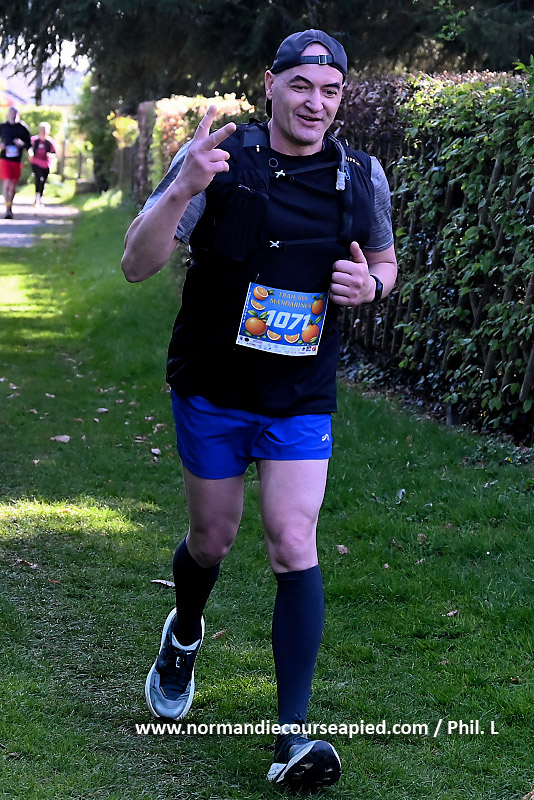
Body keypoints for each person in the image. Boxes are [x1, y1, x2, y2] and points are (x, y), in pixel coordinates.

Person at [122, 29, 397, 791]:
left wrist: (371, 286)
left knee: (292, 539)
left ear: (341, 99)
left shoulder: (360, 175)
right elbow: (137, 263)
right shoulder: (217, 159)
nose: (315, 103)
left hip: (300, 395)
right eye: (301, 85)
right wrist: (182, 189)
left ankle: (292, 737)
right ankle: (184, 633)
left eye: (330, 91)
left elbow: (384, 261)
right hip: (213, 387)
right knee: (212, 539)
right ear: (269, 84)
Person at [0, 106, 31, 219]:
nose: (13, 116)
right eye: (11, 114)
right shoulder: (3, 127)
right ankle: (7, 209)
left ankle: (10, 206)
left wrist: (22, 144)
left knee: (13, 185)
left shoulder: (23, 128)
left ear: (18, 115)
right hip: (5, 158)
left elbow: (29, 144)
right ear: (8, 114)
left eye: (15, 114)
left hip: (17, 160)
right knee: (7, 183)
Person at [29, 122, 57, 207]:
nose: (43, 132)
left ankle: (39, 198)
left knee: (43, 181)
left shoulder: (50, 142)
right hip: (36, 162)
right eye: (42, 129)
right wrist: (30, 154)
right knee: (39, 179)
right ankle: (37, 198)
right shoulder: (34, 140)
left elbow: (54, 153)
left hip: (46, 164)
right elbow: (30, 148)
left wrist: (50, 155)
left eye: (45, 130)